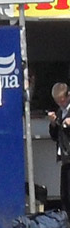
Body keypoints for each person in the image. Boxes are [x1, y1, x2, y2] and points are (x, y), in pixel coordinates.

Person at [48, 82, 70, 212]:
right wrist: (53, 124)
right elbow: (55, 136)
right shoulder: (60, 112)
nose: (61, 105)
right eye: (58, 102)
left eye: (62, 101)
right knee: (65, 194)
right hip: (65, 156)